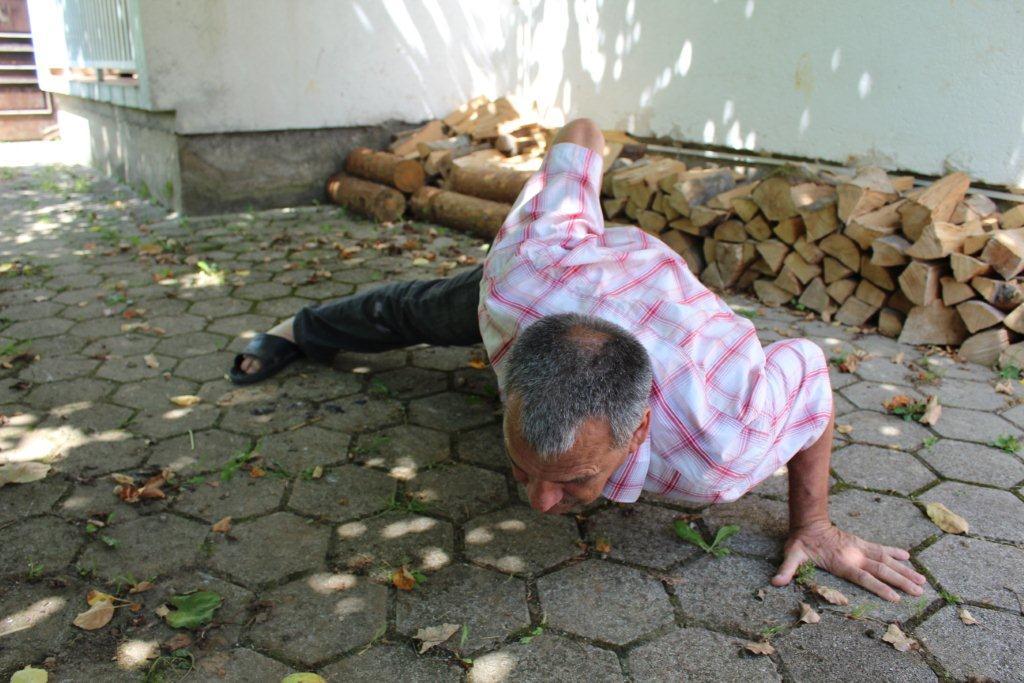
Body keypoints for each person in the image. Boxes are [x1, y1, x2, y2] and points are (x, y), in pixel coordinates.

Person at [230, 119, 927, 602]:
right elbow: (581, 141)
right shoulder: (514, 281)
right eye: (523, 469)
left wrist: (813, 524)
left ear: (641, 430)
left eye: (574, 478)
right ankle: (297, 328)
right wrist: (589, 128)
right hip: (566, 271)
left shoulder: (723, 449)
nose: (539, 504)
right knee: (410, 309)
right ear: (505, 368)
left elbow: (809, 363)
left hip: (660, 302)